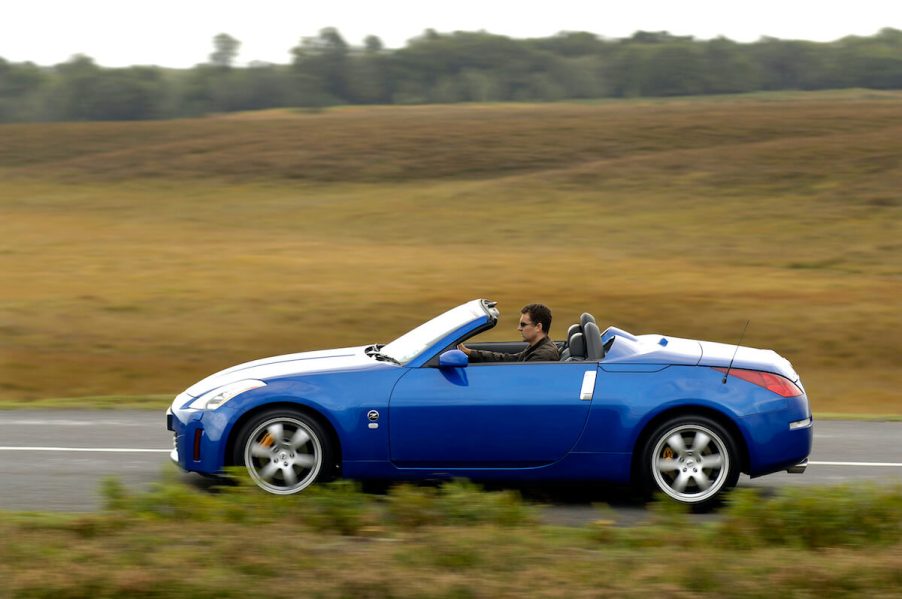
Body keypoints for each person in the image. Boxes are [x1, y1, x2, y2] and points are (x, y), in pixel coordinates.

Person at [457, 303, 560, 362]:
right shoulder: (538, 347)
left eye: (523, 324)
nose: (518, 328)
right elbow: (510, 359)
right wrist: (469, 352)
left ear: (538, 327)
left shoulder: (542, 356)